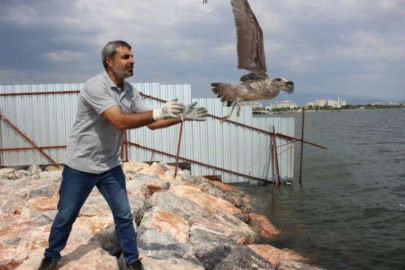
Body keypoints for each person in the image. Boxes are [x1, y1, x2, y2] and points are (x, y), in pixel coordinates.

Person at [39, 40, 208, 270]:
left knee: (124, 215)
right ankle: (51, 256)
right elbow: (119, 121)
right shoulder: (94, 87)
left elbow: (152, 123)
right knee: (66, 215)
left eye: (132, 56)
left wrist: (181, 117)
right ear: (109, 61)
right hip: (80, 165)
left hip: (109, 165)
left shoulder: (130, 91)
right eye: (126, 57)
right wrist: (158, 111)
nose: (132, 61)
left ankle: (132, 261)